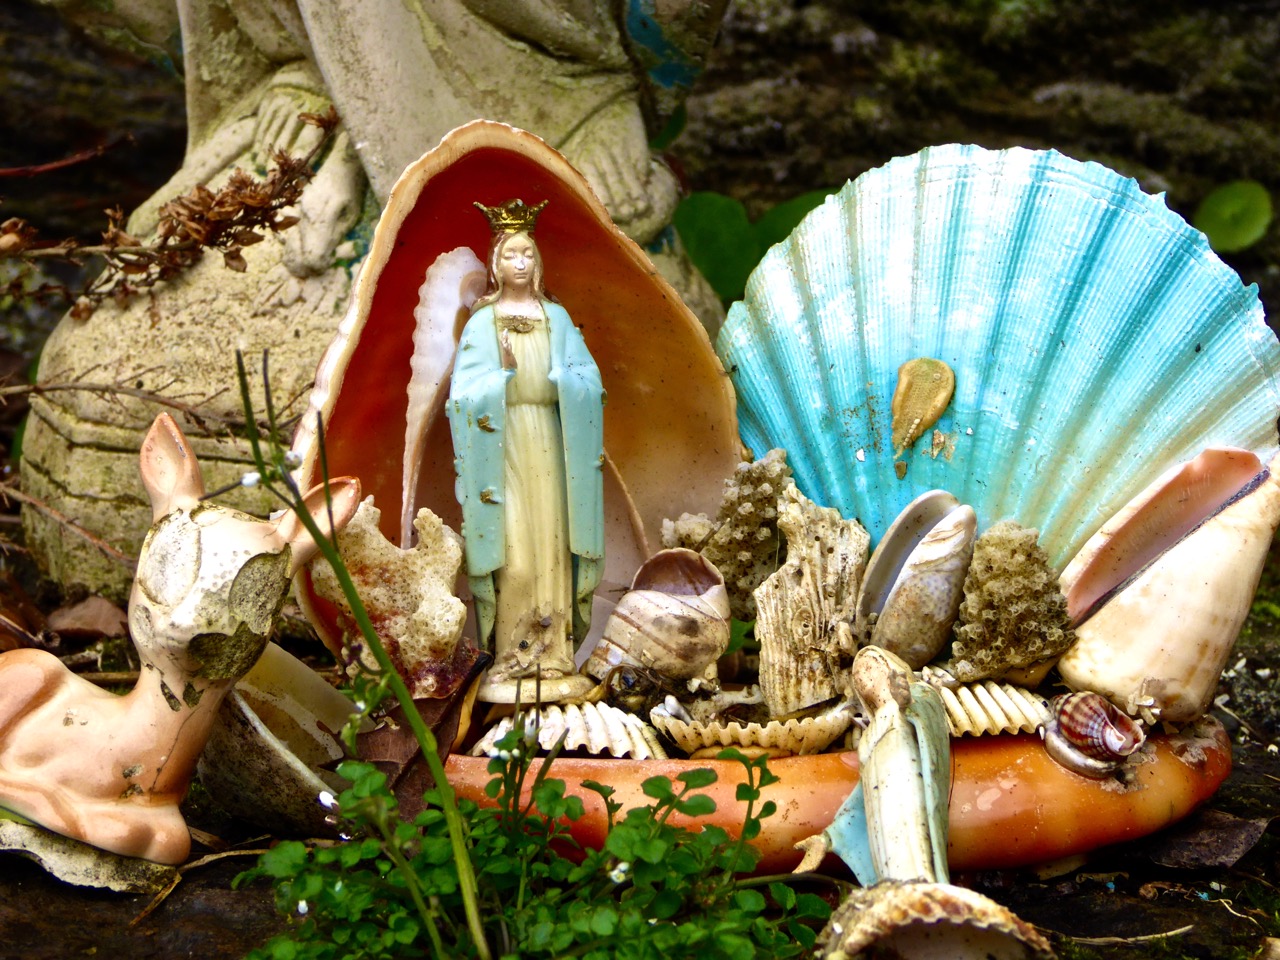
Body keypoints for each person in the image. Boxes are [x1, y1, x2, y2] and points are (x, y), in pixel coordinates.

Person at [448, 199, 605, 703]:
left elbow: (589, 379)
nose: (521, 263)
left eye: (529, 255)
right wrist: (501, 376)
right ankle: (512, 656)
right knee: (514, 551)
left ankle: (554, 655)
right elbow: (462, 394)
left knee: (552, 544)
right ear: (495, 264)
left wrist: (563, 380)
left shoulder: (556, 318)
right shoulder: (482, 323)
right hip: (503, 441)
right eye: (512, 254)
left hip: (553, 441)